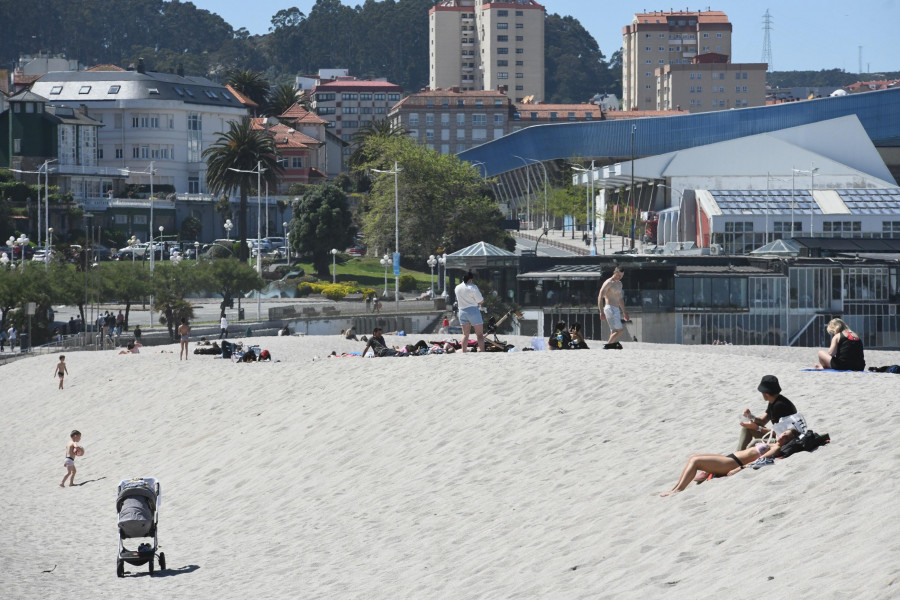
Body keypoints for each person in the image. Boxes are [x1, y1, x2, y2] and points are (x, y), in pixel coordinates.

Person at [661, 427, 800, 496]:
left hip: (733, 463)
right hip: (730, 458)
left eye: (786, 437)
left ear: (790, 440)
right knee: (693, 457)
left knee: (696, 461)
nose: (782, 436)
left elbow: (760, 459)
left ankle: (678, 490)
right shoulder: (774, 443)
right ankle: (674, 488)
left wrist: (739, 469)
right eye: (783, 433)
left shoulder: (775, 449)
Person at [737, 375, 797, 451]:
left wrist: (756, 428)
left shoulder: (780, 406)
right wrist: (750, 416)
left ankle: (739, 458)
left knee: (755, 443)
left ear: (766, 393)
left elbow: (779, 433)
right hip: (779, 436)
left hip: (785, 440)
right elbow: (762, 421)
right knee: (746, 429)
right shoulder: (774, 401)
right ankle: (736, 456)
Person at [598, 266, 628, 349]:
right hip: (609, 308)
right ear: (614, 273)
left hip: (616, 308)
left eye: (621, 276)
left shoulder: (619, 284)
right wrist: (601, 311)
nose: (620, 277)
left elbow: (620, 299)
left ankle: (609, 346)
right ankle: (607, 346)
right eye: (618, 275)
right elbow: (600, 297)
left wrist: (624, 312)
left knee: (614, 330)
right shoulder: (608, 283)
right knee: (620, 330)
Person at [454, 272, 485, 353]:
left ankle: (464, 351)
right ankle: (482, 351)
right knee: (479, 335)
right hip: (473, 311)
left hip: (462, 312)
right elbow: (480, 301)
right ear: (471, 279)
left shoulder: (457, 288)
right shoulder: (473, 287)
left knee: (465, 335)